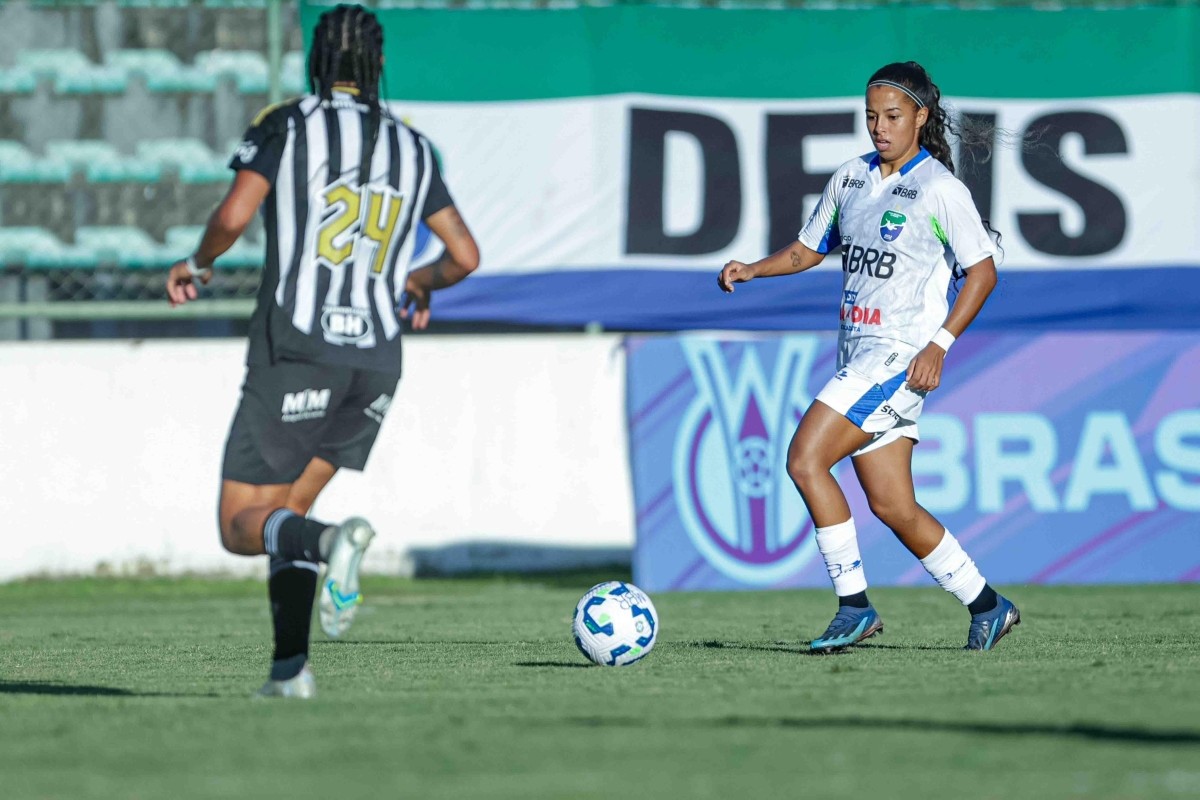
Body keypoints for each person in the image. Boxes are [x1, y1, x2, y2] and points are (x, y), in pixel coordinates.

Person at [166, 3, 480, 696]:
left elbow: (234, 215)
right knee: (285, 519)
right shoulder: (414, 146)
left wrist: (199, 261)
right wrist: (416, 283)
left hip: (300, 347)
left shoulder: (287, 123)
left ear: (316, 59)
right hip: (374, 362)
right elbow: (464, 255)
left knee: (240, 524)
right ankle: (289, 671)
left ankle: (336, 544)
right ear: (379, 65)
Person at [718, 61, 1019, 652]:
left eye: (893, 116)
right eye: (871, 116)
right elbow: (809, 250)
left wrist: (939, 345)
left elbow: (982, 273)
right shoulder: (851, 179)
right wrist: (753, 268)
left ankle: (854, 606)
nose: (879, 127)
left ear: (921, 118)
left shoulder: (939, 189)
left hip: (898, 359)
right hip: (858, 355)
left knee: (805, 460)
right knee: (893, 504)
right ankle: (988, 604)